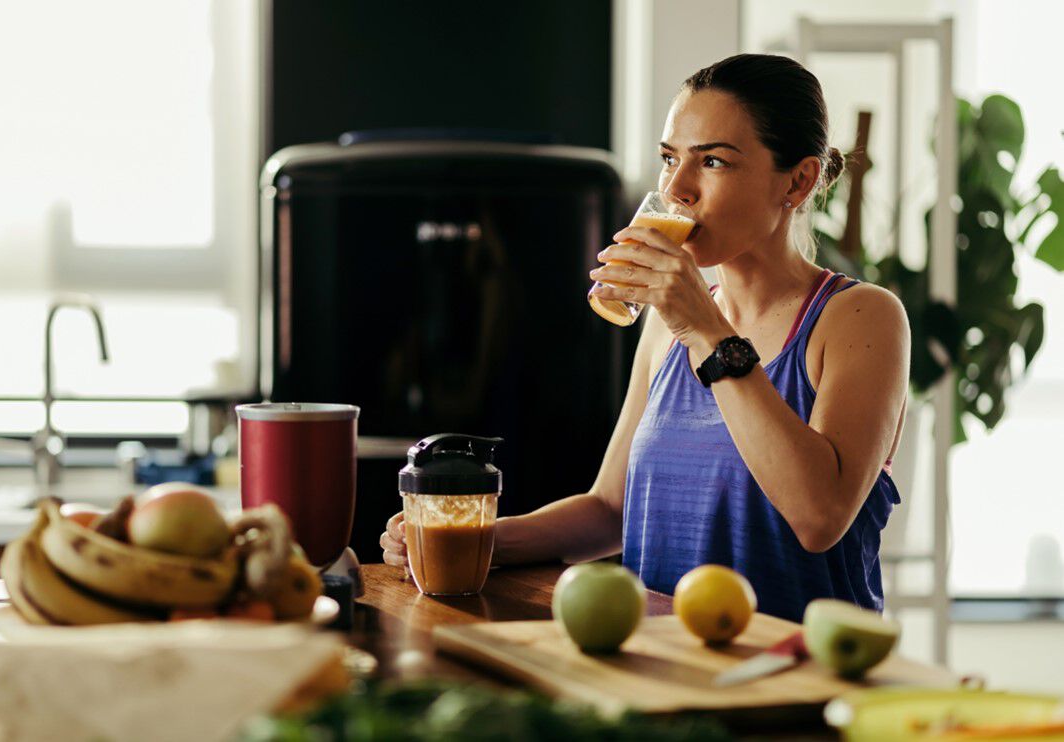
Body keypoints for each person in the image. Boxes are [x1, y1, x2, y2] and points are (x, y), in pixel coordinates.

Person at [380, 54, 909, 623]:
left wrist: (705, 330)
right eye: (668, 159)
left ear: (798, 181)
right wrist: (467, 538)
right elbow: (611, 509)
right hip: (663, 667)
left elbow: (819, 517)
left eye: (712, 161)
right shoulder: (668, 322)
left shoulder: (859, 317)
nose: (677, 188)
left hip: (795, 677)